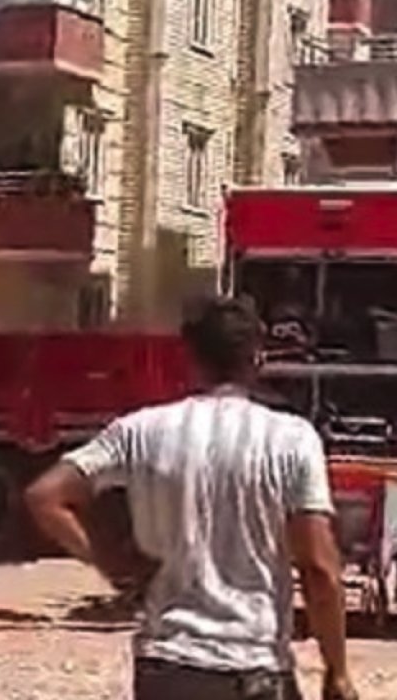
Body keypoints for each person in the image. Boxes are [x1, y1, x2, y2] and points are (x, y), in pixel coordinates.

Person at [25, 297, 357, 700]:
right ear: (257, 359)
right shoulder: (292, 439)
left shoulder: (141, 430)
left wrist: (111, 564)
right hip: (252, 668)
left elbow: (45, 496)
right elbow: (319, 567)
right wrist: (336, 671)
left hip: (167, 665)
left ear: (191, 359)